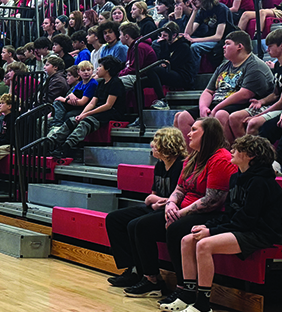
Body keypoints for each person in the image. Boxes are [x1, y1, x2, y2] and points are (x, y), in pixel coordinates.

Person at [124, 118, 236, 301]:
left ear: (207, 134)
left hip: (211, 214)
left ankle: (184, 287)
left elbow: (212, 200)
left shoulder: (221, 159)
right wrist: (171, 204)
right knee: (140, 225)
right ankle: (152, 280)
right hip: (182, 210)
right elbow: (180, 188)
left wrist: (179, 213)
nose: (189, 134)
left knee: (176, 229)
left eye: (194, 130)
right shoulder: (193, 157)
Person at [172, 135, 282, 312]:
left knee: (204, 245)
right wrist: (209, 227)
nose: (232, 151)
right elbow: (231, 214)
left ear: (250, 156)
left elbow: (247, 221)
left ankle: (203, 304)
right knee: (187, 240)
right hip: (243, 227)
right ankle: (187, 295)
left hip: (260, 233)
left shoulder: (260, 182)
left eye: (238, 149)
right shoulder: (236, 178)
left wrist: (212, 231)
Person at [105, 127, 187, 288]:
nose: (152, 146)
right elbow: (152, 195)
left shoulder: (182, 166)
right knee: (114, 219)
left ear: (167, 145)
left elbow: (180, 197)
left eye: (155, 144)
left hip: (173, 211)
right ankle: (133, 269)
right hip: (157, 206)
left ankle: (151, 277)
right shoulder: (160, 165)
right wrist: (155, 200)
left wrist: (156, 200)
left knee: (137, 224)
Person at [174, 31, 273, 144]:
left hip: (241, 104)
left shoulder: (255, 65)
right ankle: (193, 159)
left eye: (227, 43)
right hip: (219, 103)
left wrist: (216, 108)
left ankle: (228, 155)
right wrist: (203, 108)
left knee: (220, 114)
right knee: (183, 117)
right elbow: (208, 91)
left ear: (239, 46)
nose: (223, 47)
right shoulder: (224, 66)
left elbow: (245, 94)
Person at [48, 56, 125, 158]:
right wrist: (81, 114)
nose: (97, 68)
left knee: (85, 123)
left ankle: (66, 147)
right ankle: (50, 143)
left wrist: (87, 114)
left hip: (111, 113)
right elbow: (92, 103)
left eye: (100, 66)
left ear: (108, 69)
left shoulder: (116, 82)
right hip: (98, 111)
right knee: (72, 120)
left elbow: (108, 105)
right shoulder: (101, 83)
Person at [229, 29, 282, 139]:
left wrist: (259, 115)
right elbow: (276, 94)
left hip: (279, 107)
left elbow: (281, 101)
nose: (267, 50)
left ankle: (253, 154)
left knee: (253, 123)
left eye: (270, 46)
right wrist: (261, 101)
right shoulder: (277, 67)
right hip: (275, 105)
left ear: (280, 46)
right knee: (236, 117)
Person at [183, 0, 230, 70]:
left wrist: (194, 40)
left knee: (195, 47)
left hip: (224, 39)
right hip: (211, 38)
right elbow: (188, 33)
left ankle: (193, 76)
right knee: (183, 44)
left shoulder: (221, 8)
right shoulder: (202, 11)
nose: (193, 0)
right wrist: (194, 11)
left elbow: (218, 36)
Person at [52, 61, 97, 127]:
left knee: (59, 102)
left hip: (82, 107)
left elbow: (82, 102)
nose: (86, 72)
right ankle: (55, 122)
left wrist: (64, 100)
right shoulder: (81, 83)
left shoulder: (92, 83)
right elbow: (70, 94)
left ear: (92, 70)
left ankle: (57, 124)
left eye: (88, 70)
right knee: (57, 103)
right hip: (74, 105)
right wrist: (71, 95)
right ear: (78, 72)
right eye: (83, 70)